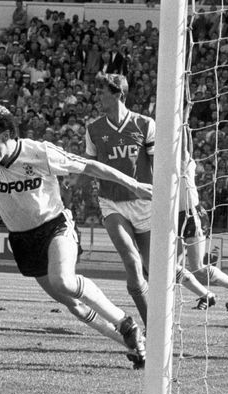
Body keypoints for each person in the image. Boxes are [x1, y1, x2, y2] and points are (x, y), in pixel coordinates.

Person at [0, 43, 148, 369]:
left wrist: (135, 184)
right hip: (23, 239)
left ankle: (125, 321)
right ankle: (139, 348)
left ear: (7, 134)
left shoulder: (39, 152)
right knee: (74, 306)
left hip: (56, 227)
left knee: (63, 281)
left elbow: (90, 167)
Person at [84, 73, 152, 326]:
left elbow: (157, 164)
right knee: (132, 262)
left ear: (118, 94)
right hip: (111, 202)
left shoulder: (145, 124)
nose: (98, 96)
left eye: (102, 92)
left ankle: (159, 319)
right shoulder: (93, 129)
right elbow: (91, 166)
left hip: (144, 204)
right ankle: (151, 328)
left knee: (154, 270)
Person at [177, 123, 228, 310]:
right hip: (172, 218)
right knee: (169, 267)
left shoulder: (183, 160)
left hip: (191, 215)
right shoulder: (160, 161)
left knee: (198, 267)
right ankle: (206, 295)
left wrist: (182, 121)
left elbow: (186, 144)